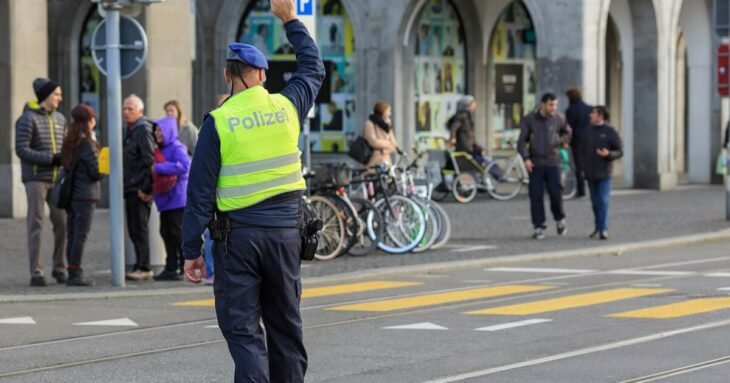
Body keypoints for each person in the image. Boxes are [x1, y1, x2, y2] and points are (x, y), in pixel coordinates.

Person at [181, 0, 325, 381]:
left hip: (237, 241)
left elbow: (198, 192)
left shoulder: (219, 122)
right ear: (260, 74)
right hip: (285, 237)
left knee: (244, 333)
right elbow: (313, 67)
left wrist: (191, 251)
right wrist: (290, 19)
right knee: (286, 330)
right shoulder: (287, 106)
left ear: (230, 76)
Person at [14, 78, 68, 286]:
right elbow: (21, 149)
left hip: (58, 179)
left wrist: (65, 159)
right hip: (36, 179)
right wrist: (50, 159)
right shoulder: (28, 119)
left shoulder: (61, 119)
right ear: (46, 96)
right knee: (36, 225)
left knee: (62, 223)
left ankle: (59, 268)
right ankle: (36, 272)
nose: (60, 98)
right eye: (57, 94)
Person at [517, 92, 572, 240]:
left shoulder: (558, 118)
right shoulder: (530, 119)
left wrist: (560, 140)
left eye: (555, 105)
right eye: (550, 105)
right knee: (536, 196)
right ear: (542, 104)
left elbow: (568, 132)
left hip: (553, 162)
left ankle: (560, 219)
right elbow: (522, 141)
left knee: (556, 193)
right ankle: (538, 226)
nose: (553, 107)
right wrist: (526, 158)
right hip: (535, 163)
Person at [61, 104, 103, 286]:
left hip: (73, 195)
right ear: (89, 121)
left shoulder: (70, 140)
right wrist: (105, 163)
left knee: (72, 234)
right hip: (85, 195)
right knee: (80, 235)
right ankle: (75, 272)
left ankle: (71, 269)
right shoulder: (87, 143)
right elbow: (96, 171)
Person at [151, 117, 191, 281]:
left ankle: (182, 266)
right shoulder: (162, 148)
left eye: (160, 130)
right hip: (166, 199)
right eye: (156, 130)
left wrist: (159, 167)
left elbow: (185, 166)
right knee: (166, 233)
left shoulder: (177, 147)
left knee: (176, 234)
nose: (157, 133)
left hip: (177, 198)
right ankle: (171, 267)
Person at [122, 94, 156, 281]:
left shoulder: (142, 130)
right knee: (134, 228)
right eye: (125, 108)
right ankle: (139, 263)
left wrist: (146, 189)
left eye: (130, 109)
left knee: (139, 228)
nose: (126, 112)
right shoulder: (129, 129)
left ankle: (144, 266)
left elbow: (149, 161)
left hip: (139, 189)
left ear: (140, 111)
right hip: (131, 186)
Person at [580, 106, 623, 240]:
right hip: (590, 173)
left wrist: (608, 154)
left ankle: (603, 229)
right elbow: (582, 151)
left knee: (603, 201)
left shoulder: (610, 131)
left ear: (601, 116)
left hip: (604, 173)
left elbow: (620, 151)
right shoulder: (587, 131)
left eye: (593, 113)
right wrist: (582, 167)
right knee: (595, 202)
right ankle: (598, 227)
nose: (590, 115)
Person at [565, 87, 592, 198]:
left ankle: (581, 189)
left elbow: (569, 127)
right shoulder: (589, 108)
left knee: (578, 165)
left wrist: (567, 140)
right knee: (588, 163)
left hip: (577, 141)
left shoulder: (570, 110)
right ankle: (591, 186)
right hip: (590, 139)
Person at [363, 101, 398, 167]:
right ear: (383, 111)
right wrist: (389, 143)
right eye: (388, 111)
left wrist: (383, 150)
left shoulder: (387, 125)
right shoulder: (369, 123)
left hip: (386, 162)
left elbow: (394, 144)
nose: (390, 113)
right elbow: (373, 142)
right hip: (373, 161)